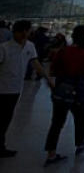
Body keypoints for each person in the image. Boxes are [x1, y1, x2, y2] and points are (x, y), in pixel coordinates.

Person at [43, 25, 84, 166]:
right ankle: (80, 144)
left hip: (62, 90)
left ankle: (51, 153)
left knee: (57, 122)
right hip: (80, 91)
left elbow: (53, 71)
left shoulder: (63, 51)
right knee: (80, 119)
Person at [0, 20, 52, 157]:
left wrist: (47, 78)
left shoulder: (30, 46)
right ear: (14, 32)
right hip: (2, 89)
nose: (24, 34)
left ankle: (1, 146)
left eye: (27, 31)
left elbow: (35, 62)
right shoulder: (4, 48)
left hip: (16, 89)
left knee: (6, 118)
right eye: (21, 31)